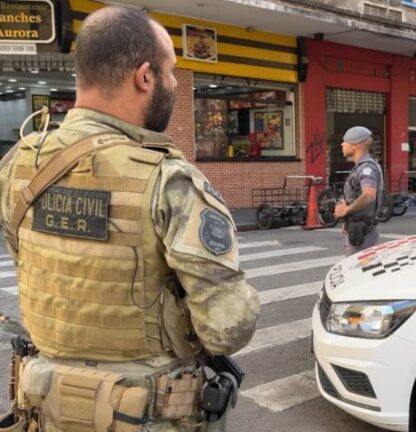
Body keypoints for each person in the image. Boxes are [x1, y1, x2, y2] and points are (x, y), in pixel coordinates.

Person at [0, 6, 259, 431]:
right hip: (142, 415)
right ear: (145, 77)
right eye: (171, 72)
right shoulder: (169, 180)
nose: (174, 83)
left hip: (44, 409)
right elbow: (227, 329)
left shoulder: (21, 163)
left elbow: (23, 259)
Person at [334, 127, 382, 256]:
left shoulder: (366, 168)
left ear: (356, 145)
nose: (342, 144)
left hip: (363, 233)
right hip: (357, 230)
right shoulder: (360, 167)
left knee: (361, 270)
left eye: (345, 141)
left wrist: (346, 210)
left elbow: (369, 195)